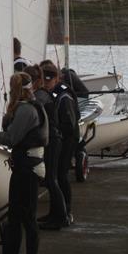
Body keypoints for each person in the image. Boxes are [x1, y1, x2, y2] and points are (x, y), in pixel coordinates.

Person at [0, 71, 48, 254]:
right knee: (18, 217)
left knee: (25, 218)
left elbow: (11, 138)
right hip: (28, 167)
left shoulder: (26, 110)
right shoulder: (34, 106)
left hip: (28, 169)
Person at [30, 64, 68, 230]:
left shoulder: (39, 96)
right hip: (53, 138)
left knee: (51, 179)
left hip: (52, 140)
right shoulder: (44, 94)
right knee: (51, 179)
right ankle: (55, 215)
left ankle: (61, 217)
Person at [40, 61, 78, 226]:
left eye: (49, 81)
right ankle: (55, 212)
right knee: (55, 177)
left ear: (56, 79)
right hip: (62, 139)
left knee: (60, 176)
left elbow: (69, 124)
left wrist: (55, 132)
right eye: (44, 81)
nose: (46, 84)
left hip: (66, 140)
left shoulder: (63, 96)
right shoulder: (55, 94)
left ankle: (65, 212)